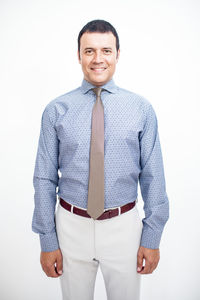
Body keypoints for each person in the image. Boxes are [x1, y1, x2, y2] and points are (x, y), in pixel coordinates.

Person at [32, 19, 169, 300]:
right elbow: (44, 179)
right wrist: (47, 240)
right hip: (70, 227)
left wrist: (152, 237)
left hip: (124, 227)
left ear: (118, 54)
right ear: (78, 55)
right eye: (89, 51)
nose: (98, 59)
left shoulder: (141, 109)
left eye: (106, 50)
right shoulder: (56, 110)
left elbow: (153, 176)